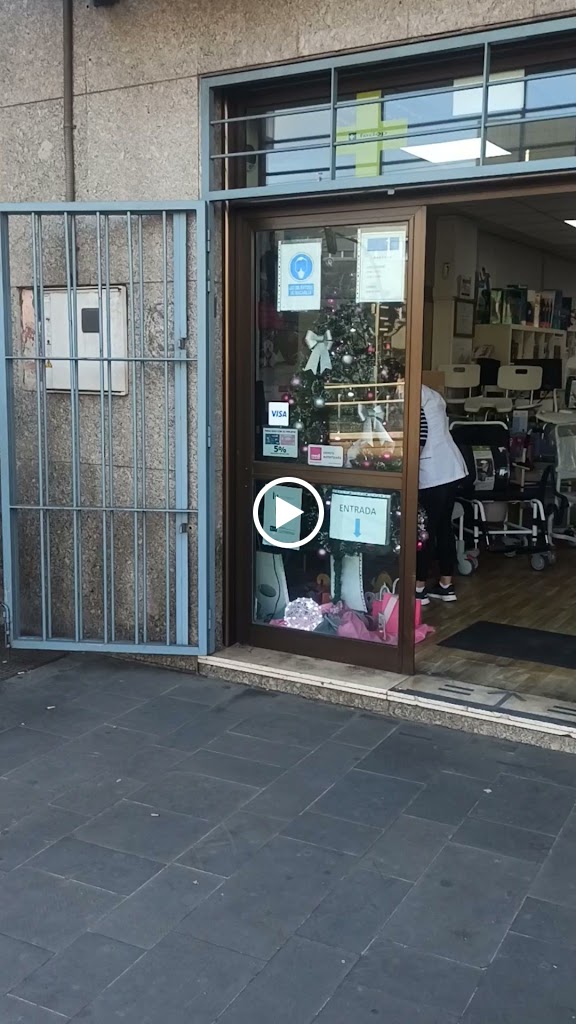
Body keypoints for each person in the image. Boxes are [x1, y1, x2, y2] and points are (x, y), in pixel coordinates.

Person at [416, 384, 468, 605]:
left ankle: (418, 588)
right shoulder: (431, 393)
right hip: (450, 467)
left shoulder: (412, 393)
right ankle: (446, 585)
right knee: (444, 527)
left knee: (424, 530)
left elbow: (420, 434)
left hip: (433, 470)